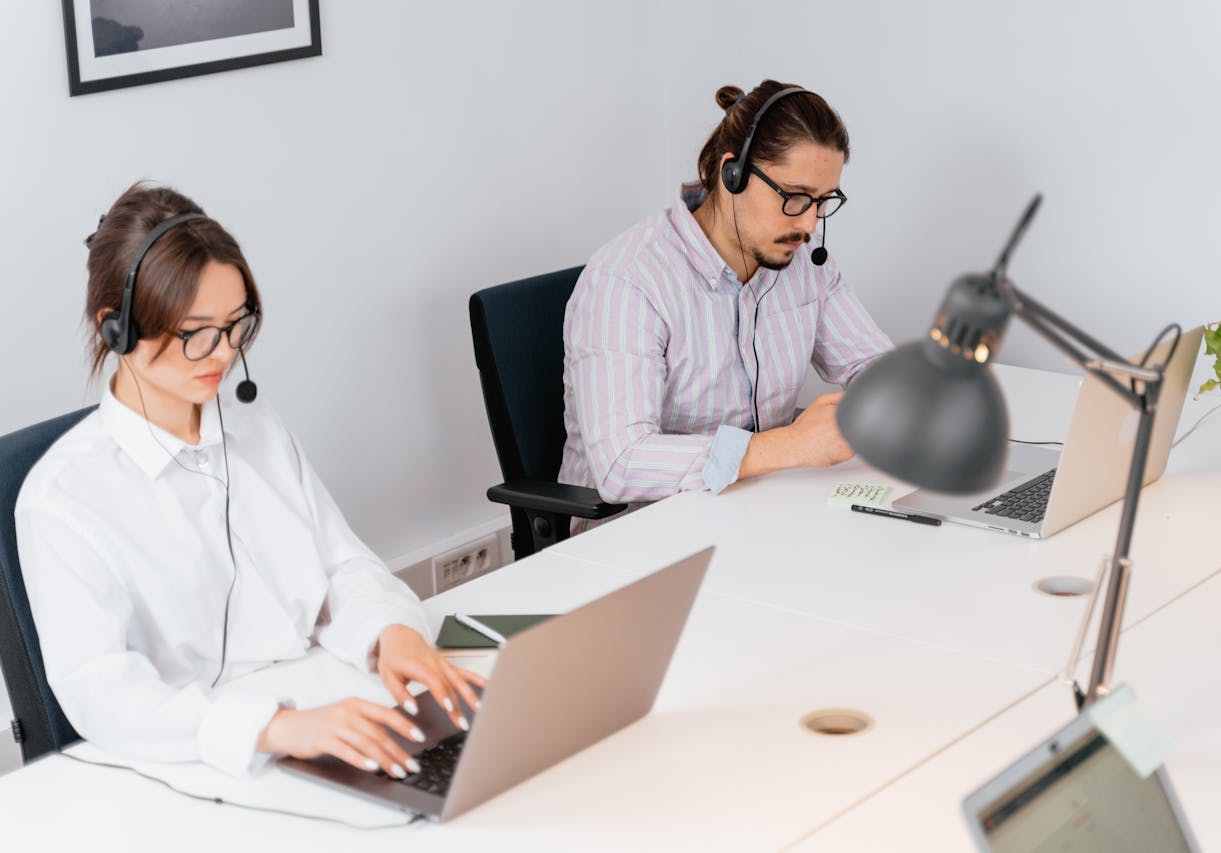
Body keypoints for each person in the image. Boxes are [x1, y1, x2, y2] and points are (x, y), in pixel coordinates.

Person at [15, 183, 483, 779]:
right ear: (117, 331)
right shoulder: (62, 500)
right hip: (201, 761)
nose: (224, 353)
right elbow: (101, 690)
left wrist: (393, 633)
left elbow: (344, 566)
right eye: (196, 333)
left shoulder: (255, 428)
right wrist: (274, 727)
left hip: (330, 708)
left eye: (237, 325)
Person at [560, 80, 892, 524]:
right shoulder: (628, 281)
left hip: (750, 515)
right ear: (731, 174)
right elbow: (622, 463)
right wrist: (790, 444)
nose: (810, 223)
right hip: (637, 539)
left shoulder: (805, 265)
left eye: (823, 200)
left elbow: (872, 365)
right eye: (794, 198)